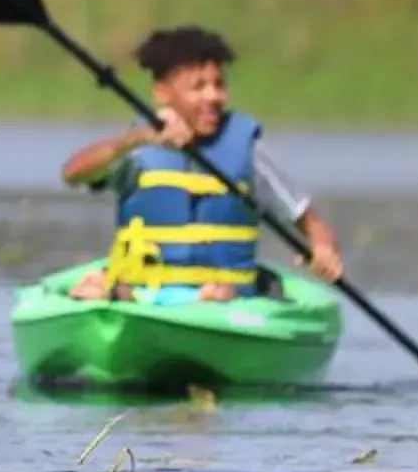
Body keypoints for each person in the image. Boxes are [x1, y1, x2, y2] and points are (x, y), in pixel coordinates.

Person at [56, 24, 344, 302]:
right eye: (198, 86)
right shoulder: (137, 148)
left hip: (225, 300)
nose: (213, 96)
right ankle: (116, 297)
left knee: (220, 295)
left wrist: (323, 247)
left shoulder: (248, 147)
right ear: (162, 93)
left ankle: (202, 302)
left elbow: (312, 223)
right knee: (99, 286)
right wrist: (137, 138)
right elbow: (73, 174)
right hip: (145, 295)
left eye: (219, 85)